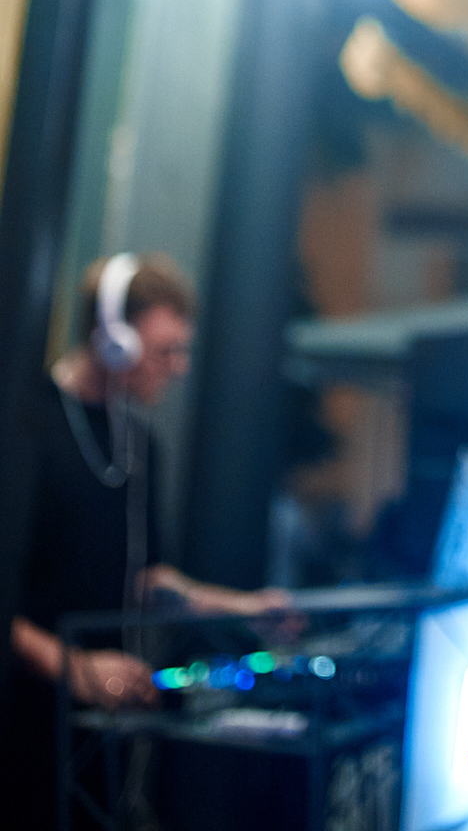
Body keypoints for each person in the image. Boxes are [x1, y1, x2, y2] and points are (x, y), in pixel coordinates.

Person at [3, 252, 290, 827]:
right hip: (20, 727)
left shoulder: (138, 445)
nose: (179, 367)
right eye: (165, 351)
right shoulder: (23, 428)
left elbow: (146, 577)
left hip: (97, 732)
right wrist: (73, 667)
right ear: (113, 338)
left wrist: (245, 608)